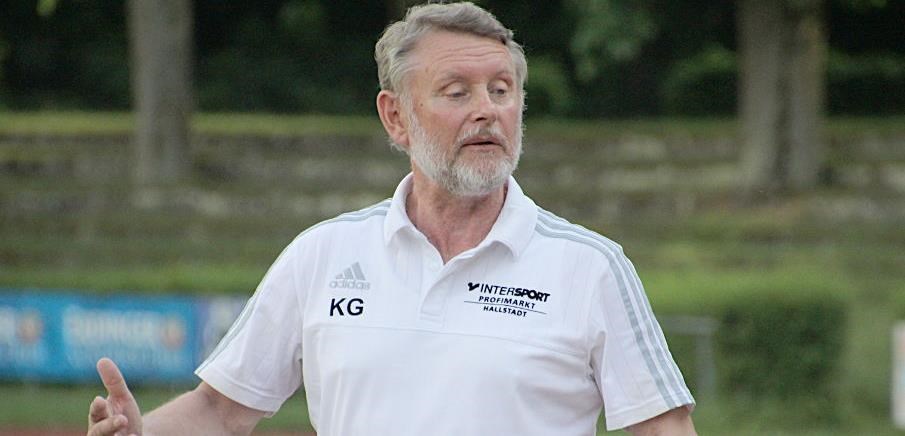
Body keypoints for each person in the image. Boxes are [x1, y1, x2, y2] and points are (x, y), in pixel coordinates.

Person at [87, 2, 696, 435]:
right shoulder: (322, 254)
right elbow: (220, 411)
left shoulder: (589, 267)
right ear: (396, 117)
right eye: (457, 92)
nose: (487, 111)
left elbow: (663, 426)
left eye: (502, 90)